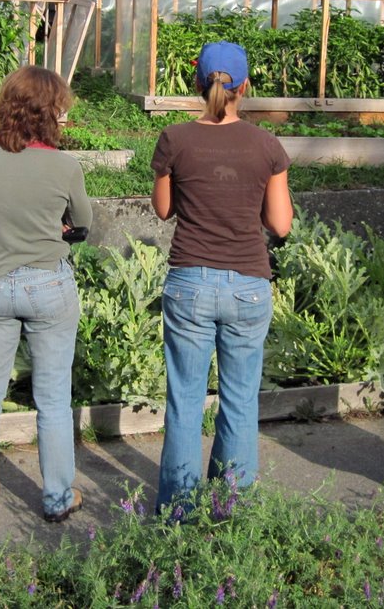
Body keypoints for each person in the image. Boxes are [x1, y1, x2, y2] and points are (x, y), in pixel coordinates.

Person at [150, 40, 294, 514]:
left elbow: (164, 210)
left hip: (189, 281)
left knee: (185, 403)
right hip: (249, 285)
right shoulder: (267, 146)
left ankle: (178, 514)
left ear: (198, 84)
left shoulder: (174, 138)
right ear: (244, 86)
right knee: (239, 400)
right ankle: (231, 510)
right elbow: (280, 225)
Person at [0, 65, 92, 522]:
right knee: (53, 398)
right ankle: (57, 498)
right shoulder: (65, 165)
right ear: (51, 112)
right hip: (48, 286)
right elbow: (83, 225)